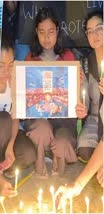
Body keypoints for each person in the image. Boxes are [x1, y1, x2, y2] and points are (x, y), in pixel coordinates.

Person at [24, 7, 78, 178]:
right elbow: (25, 94)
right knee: (41, 128)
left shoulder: (68, 56)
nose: (46, 38)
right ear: (36, 33)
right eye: (42, 32)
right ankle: (40, 157)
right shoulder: (30, 58)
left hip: (63, 117)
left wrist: (78, 80)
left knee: (62, 142)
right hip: (39, 114)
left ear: (57, 31)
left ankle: (57, 155)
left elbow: (75, 94)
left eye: (51, 32)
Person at [0, 34, 37, 196]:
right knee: (2, 118)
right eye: (1, 65)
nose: (6, 71)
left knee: (28, 154)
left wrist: (11, 145)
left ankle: (5, 164)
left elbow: (15, 117)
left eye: (11, 64)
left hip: (6, 133)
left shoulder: (14, 80)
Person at [76, 11, 103, 162]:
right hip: (95, 119)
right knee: (85, 151)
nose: (95, 35)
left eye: (99, 28)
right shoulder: (85, 64)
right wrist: (82, 108)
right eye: (90, 31)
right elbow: (84, 96)